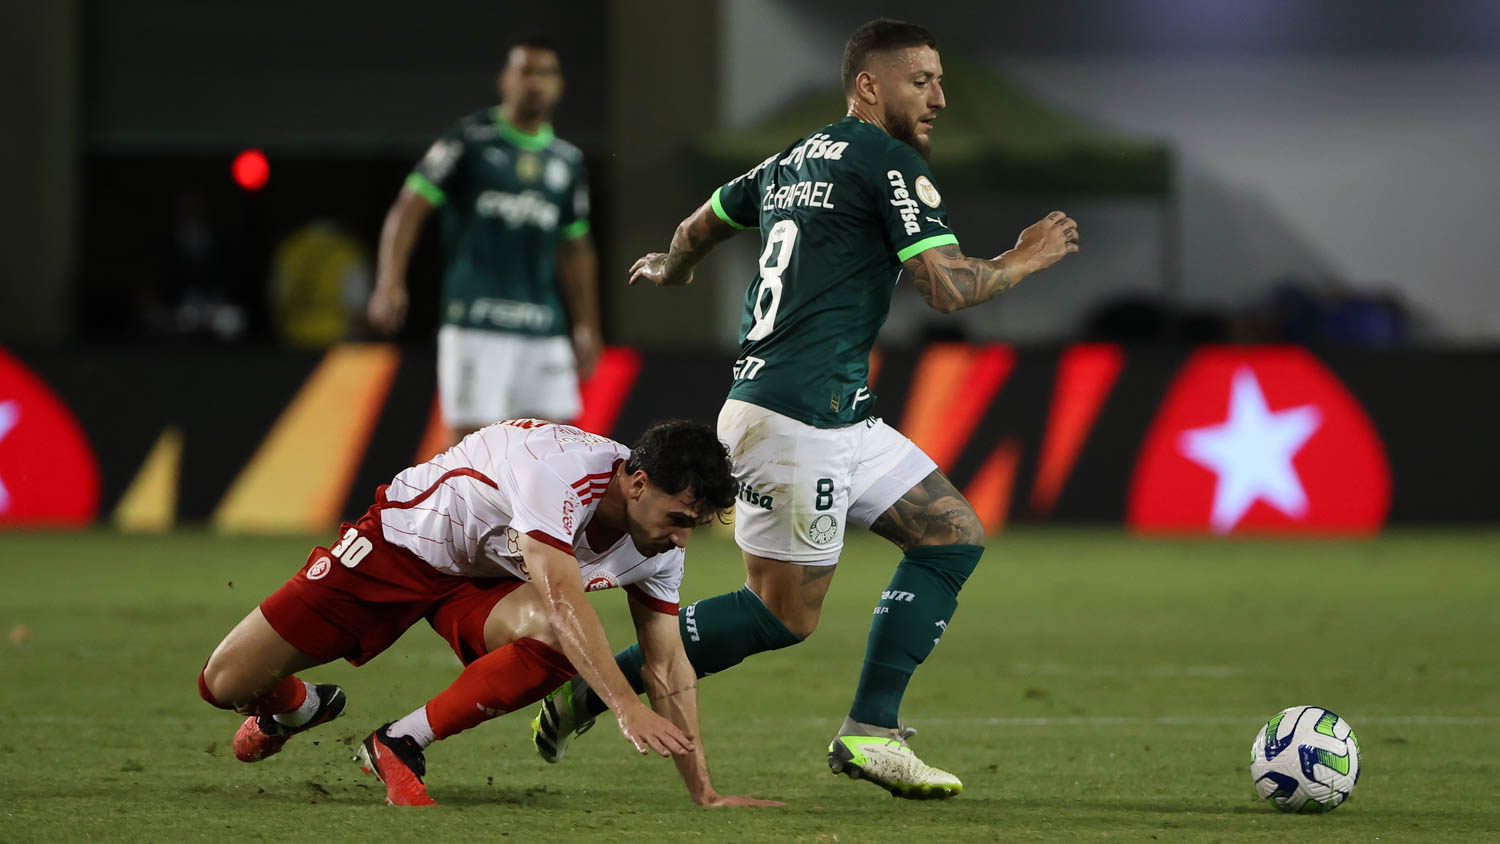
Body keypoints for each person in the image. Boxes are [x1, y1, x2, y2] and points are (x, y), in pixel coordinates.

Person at [530, 19, 1080, 799]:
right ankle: (593, 688)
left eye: (939, 80)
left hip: (834, 411)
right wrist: (1024, 257)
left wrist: (675, 267)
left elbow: (702, 221)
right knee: (781, 617)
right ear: (868, 86)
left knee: (952, 535)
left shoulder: (792, 159)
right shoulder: (887, 161)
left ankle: (871, 732)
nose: (939, 98)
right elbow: (946, 288)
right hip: (795, 420)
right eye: (920, 80)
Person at [196, 418, 782, 809]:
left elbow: (668, 665)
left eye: (694, 526)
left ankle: (399, 741)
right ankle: (296, 707)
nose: (682, 540)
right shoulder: (559, 472)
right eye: (679, 517)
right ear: (636, 482)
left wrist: (704, 791)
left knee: (559, 638)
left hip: (482, 582)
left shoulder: (658, 549)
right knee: (224, 683)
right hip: (401, 546)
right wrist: (624, 708)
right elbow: (562, 593)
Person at [367, 35, 601, 447]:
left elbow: (575, 247)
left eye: (545, 73)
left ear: (559, 85)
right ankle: (425, 511)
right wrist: (390, 281)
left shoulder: (567, 161)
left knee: (552, 445)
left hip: (541, 323)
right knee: (473, 446)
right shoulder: (469, 140)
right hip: (476, 316)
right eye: (525, 71)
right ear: (504, 80)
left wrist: (586, 324)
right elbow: (410, 206)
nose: (535, 82)